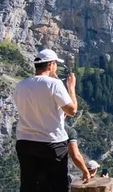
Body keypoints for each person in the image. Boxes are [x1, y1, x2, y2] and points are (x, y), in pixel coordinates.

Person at [13, 48, 80, 192]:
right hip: (51, 143)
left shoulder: (21, 85)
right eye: (56, 64)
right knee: (58, 186)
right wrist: (71, 87)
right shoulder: (54, 84)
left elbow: (35, 111)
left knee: (29, 186)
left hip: (25, 142)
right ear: (50, 65)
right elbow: (72, 110)